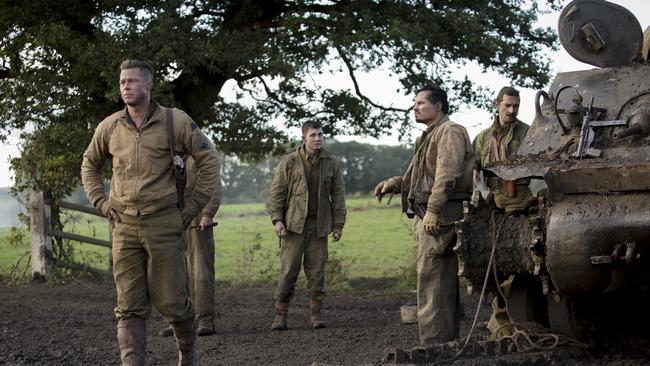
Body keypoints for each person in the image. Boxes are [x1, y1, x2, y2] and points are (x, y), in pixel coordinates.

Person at [81, 59, 220, 366]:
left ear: (148, 84)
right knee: (128, 305)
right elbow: (90, 163)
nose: (125, 87)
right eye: (122, 82)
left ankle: (186, 351)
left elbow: (209, 161)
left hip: (164, 223)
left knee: (172, 301)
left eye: (131, 81)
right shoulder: (111, 126)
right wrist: (101, 201)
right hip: (124, 225)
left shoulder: (175, 121)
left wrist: (194, 207)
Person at [374, 84, 474, 346]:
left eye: (420, 103)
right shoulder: (429, 135)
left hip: (440, 218)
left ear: (438, 105)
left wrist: (432, 210)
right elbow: (419, 176)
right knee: (439, 282)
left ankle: (434, 346)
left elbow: (446, 174)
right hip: (434, 215)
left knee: (431, 281)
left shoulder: (449, 131)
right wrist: (395, 183)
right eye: (415, 103)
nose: (414, 107)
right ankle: (445, 343)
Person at [268, 121, 347, 330]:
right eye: (313, 135)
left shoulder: (331, 163)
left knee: (317, 273)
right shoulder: (289, 162)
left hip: (319, 226)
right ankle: (280, 316)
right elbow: (276, 193)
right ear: (304, 137)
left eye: (321, 134)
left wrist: (338, 225)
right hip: (293, 227)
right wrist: (277, 220)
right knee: (288, 273)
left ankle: (315, 315)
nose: (318, 138)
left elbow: (338, 196)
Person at [471, 86, 531, 339]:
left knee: (520, 270)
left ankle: (515, 326)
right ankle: (502, 327)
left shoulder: (529, 133)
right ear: (496, 104)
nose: (512, 110)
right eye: (507, 105)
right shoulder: (483, 138)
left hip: (522, 207)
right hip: (493, 209)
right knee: (496, 269)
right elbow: (473, 170)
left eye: (516, 106)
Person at [159, 157, 223, 338]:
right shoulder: (164, 152)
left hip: (198, 215)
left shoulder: (200, 153)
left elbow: (213, 184)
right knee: (172, 272)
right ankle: (177, 321)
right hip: (170, 215)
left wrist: (208, 213)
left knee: (201, 271)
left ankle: (204, 319)